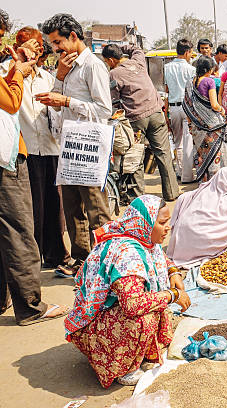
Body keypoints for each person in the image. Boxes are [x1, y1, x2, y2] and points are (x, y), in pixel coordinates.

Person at [65, 195, 191, 387]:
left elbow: (160, 258)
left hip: (115, 310)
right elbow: (132, 305)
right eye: (163, 222)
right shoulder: (128, 254)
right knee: (144, 316)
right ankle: (121, 367)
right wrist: (172, 295)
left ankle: (137, 352)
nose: (168, 228)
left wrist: (173, 272)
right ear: (145, 223)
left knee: (157, 305)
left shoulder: (143, 239)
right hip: (96, 323)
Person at [0, 9, 69, 325]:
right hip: (10, 156)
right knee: (20, 228)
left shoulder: (41, 73)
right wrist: (16, 70)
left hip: (36, 149)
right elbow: (13, 104)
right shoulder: (12, 69)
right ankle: (29, 306)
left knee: (43, 212)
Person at [38, 14, 113, 277]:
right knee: (71, 209)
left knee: (96, 208)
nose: (55, 49)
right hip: (69, 146)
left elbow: (104, 110)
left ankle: (108, 262)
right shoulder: (65, 66)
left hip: (90, 147)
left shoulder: (92, 66)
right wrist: (59, 78)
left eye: (58, 42)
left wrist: (68, 102)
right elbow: (58, 99)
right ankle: (82, 260)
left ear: (73, 36)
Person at [103, 43, 180, 202]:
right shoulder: (138, 61)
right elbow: (136, 48)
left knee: (136, 155)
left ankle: (138, 197)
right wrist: (120, 48)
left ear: (111, 60)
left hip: (136, 119)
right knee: (163, 153)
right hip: (156, 113)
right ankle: (171, 193)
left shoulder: (114, 74)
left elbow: (115, 101)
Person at [163, 39, 196, 182]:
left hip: (173, 106)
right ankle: (187, 176)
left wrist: (166, 113)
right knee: (188, 141)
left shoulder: (167, 68)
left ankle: (180, 170)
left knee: (178, 141)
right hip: (188, 107)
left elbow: (166, 91)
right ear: (187, 52)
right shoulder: (191, 69)